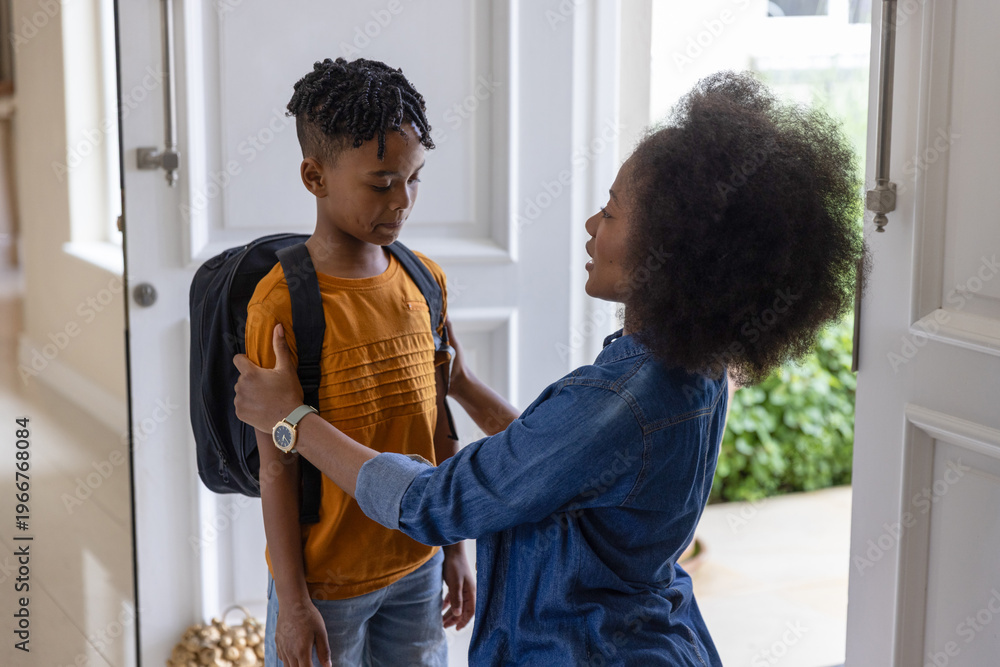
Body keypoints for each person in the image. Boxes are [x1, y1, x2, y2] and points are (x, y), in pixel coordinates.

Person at [235, 71, 868, 666]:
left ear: (673, 251)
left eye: (613, 212)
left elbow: (439, 500)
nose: (592, 224)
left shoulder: (622, 398)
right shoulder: (692, 367)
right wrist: (462, 386)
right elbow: (554, 463)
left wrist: (292, 417)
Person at [244, 57, 475, 667]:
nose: (403, 201)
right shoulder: (283, 304)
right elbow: (277, 469)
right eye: (381, 183)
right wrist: (292, 604)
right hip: (326, 587)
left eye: (415, 178)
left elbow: (438, 425)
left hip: (418, 563)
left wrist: (452, 546)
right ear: (314, 177)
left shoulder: (426, 281)